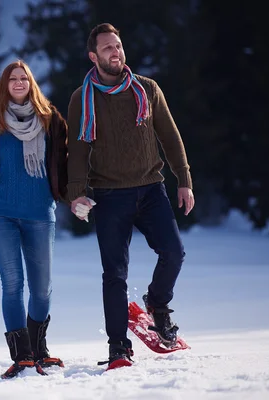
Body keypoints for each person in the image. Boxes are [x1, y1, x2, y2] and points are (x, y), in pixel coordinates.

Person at [66, 23, 195, 369]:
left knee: (174, 252)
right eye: (108, 48)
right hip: (109, 195)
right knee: (115, 275)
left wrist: (183, 179)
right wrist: (76, 194)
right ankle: (118, 348)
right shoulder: (83, 97)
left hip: (152, 188)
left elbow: (170, 136)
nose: (116, 52)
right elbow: (77, 150)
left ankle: (157, 305)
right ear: (94, 56)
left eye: (119, 46)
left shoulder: (147, 89)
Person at [0, 60, 68, 379]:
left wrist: (76, 197)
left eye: (24, 78)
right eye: (13, 78)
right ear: (4, 85)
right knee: (12, 283)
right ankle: (22, 357)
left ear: (31, 84)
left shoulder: (50, 121)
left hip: (39, 214)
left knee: (43, 289)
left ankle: (38, 350)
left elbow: (65, 164)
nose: (19, 82)